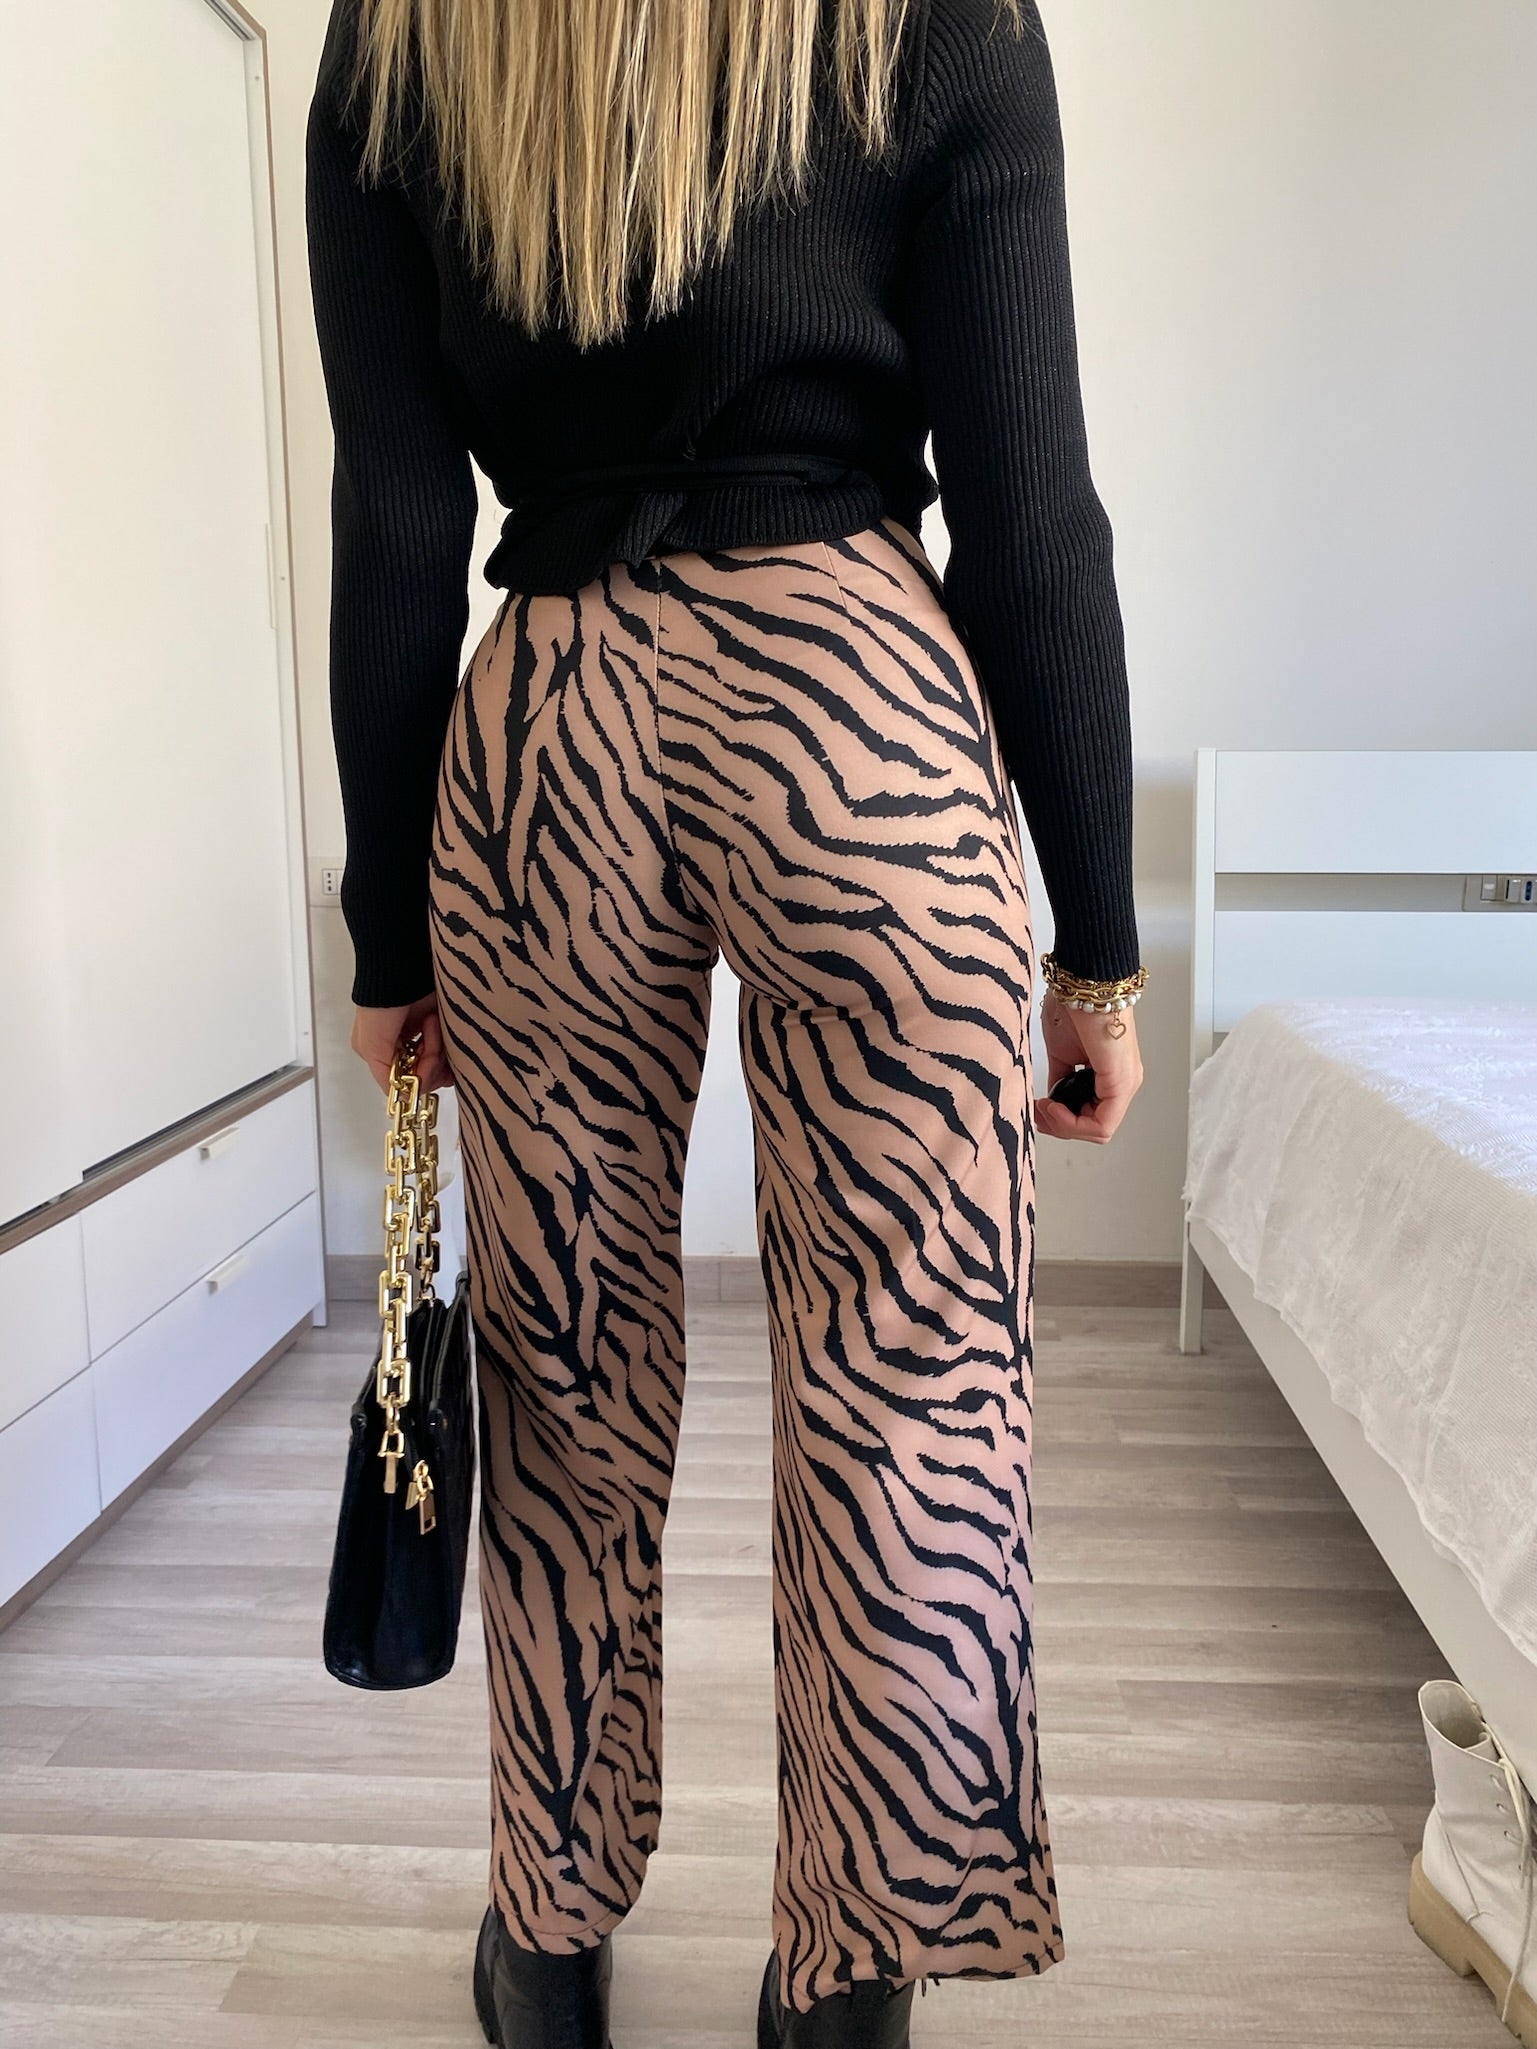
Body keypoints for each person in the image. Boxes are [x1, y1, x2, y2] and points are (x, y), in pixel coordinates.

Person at [305, 0, 1145, 2041]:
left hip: (555, 717)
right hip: (859, 701)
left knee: (561, 1367)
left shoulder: (399, 35)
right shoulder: (939, 15)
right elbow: (1030, 499)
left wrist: (392, 936)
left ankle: (547, 1940)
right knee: (911, 1384)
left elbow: (400, 519)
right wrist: (1098, 946)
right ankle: (851, 1979)